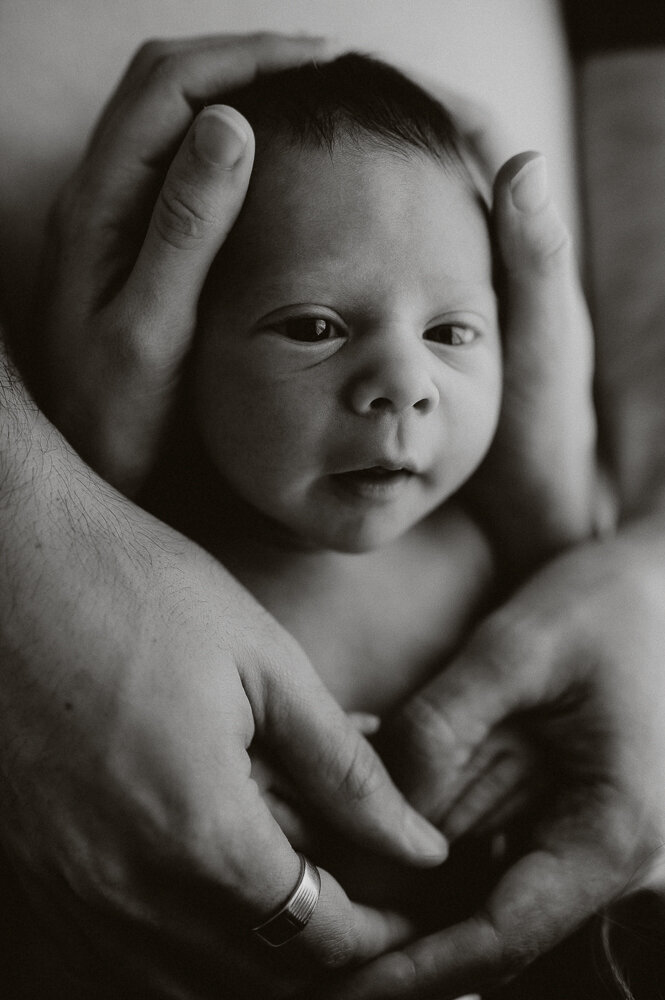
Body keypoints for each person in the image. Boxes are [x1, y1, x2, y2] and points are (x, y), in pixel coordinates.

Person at [1, 10, 664, 1000]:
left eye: (451, 329)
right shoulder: (141, 564)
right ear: (178, 348)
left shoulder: (511, 549)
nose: (403, 382)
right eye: (313, 324)